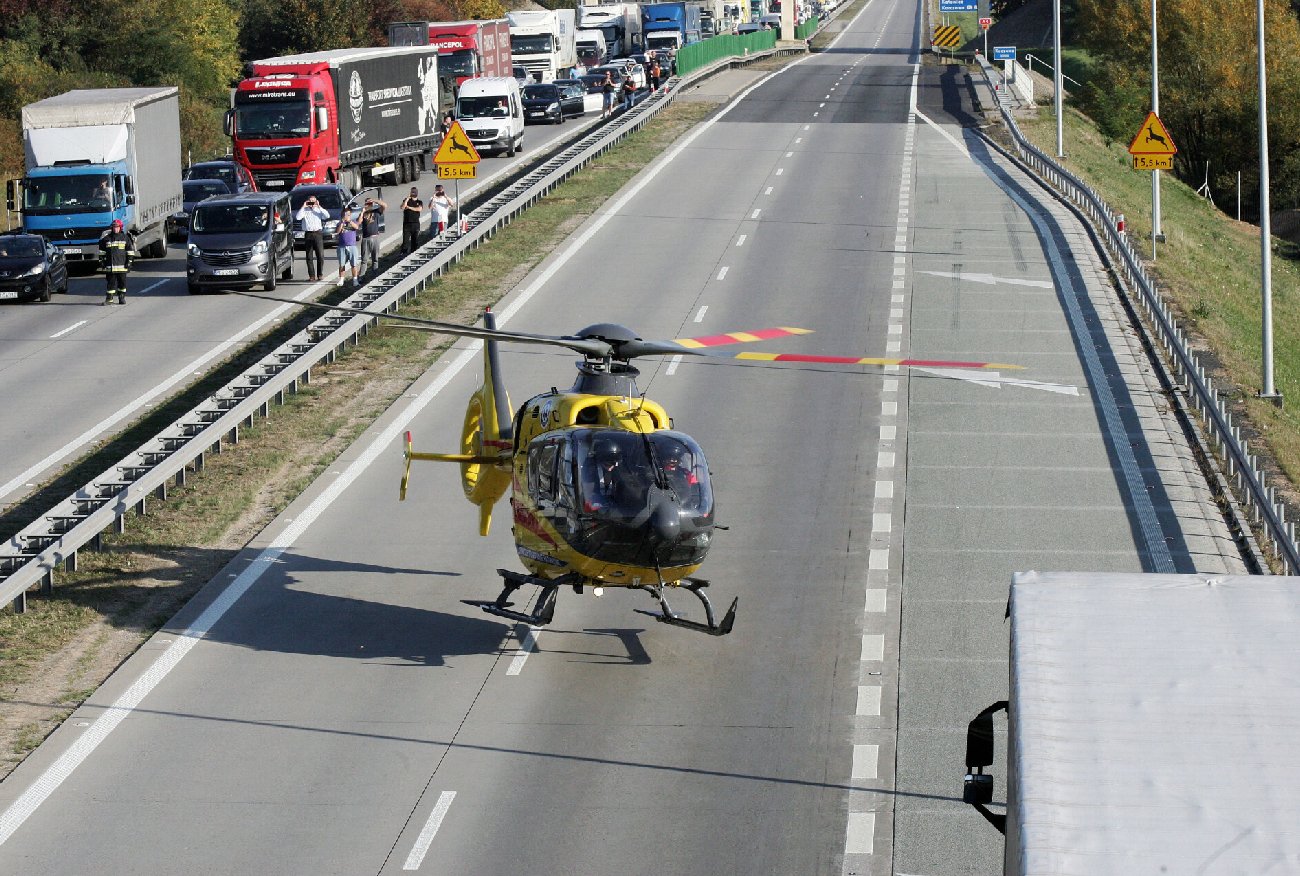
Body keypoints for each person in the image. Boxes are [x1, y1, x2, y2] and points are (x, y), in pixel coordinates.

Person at [98, 218, 133, 305]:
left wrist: (129, 262)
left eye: (117, 227)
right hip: (111, 267)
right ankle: (109, 299)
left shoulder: (125, 238)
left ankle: (121, 297)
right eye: (114, 227)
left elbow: (130, 251)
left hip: (122, 267)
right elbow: (101, 252)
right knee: (110, 284)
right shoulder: (106, 239)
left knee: (122, 284)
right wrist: (102, 262)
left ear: (120, 228)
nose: (115, 229)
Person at [295, 195, 330, 281]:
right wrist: (303, 206)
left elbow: (327, 216)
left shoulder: (318, 210)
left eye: (313, 201)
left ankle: (320, 274)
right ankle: (311, 276)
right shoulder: (305, 210)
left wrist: (319, 206)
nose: (311, 203)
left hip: (318, 233)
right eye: (310, 201)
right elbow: (297, 217)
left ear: (316, 201)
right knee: (309, 256)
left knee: (320, 255)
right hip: (308, 233)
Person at [359, 196, 386, 275]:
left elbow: (384, 205)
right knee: (364, 260)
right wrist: (362, 212)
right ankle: (361, 276)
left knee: (375, 259)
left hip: (375, 238)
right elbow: (359, 222)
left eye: (370, 204)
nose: (368, 205)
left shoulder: (376, 211)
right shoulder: (363, 213)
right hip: (366, 239)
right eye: (367, 204)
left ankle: (375, 275)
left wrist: (374, 200)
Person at [335, 207, 361, 285]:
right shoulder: (340, 223)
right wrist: (342, 222)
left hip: (352, 246)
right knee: (342, 264)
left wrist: (349, 221)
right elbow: (337, 231)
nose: (347, 216)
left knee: (354, 264)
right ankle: (341, 280)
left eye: (348, 214)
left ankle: (355, 280)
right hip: (342, 246)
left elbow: (356, 227)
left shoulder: (353, 222)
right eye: (345, 214)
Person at [400, 186, 425, 254]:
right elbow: (402, 207)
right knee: (405, 241)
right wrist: (407, 199)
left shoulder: (419, 202)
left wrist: (409, 207)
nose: (413, 193)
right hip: (407, 224)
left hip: (415, 224)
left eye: (414, 192)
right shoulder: (407, 200)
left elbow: (419, 209)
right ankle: (403, 254)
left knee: (414, 241)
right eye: (412, 192)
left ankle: (413, 253)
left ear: (417, 193)